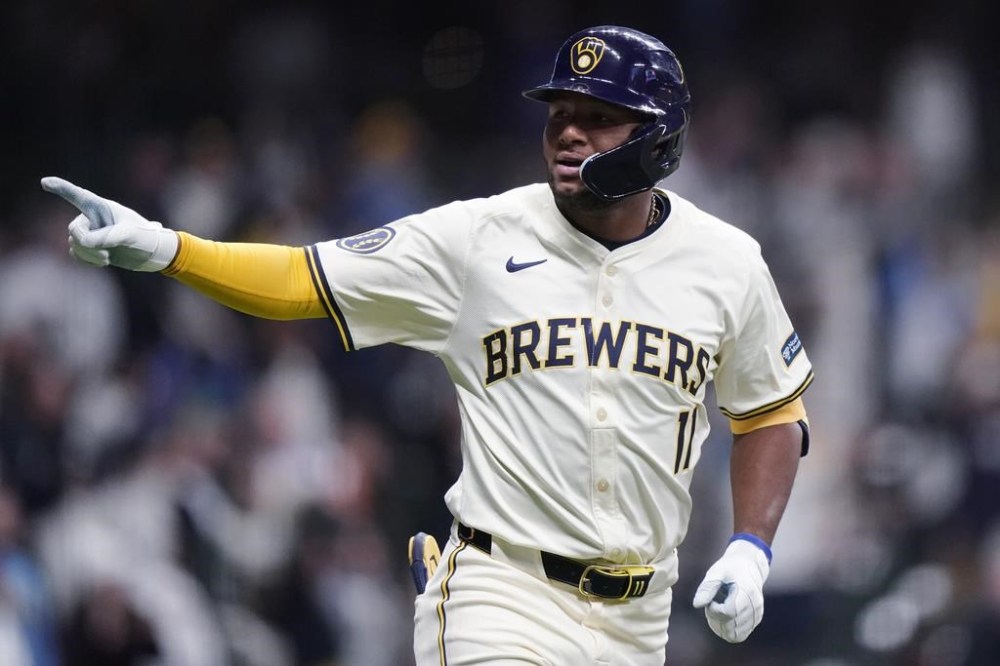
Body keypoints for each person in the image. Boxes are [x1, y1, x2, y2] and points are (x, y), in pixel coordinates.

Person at [42, 24, 813, 666]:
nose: (569, 132)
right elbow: (304, 279)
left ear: (660, 138)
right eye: (558, 113)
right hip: (501, 593)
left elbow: (771, 410)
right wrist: (170, 249)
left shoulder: (727, 262)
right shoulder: (476, 239)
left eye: (600, 115)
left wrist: (751, 548)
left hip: (639, 621)